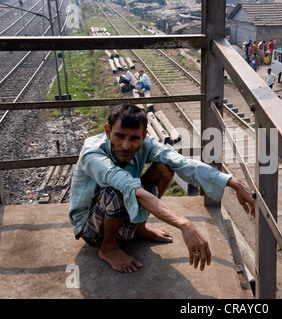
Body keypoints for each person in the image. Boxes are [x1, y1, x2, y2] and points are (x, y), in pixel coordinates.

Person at [69, 104, 255, 273]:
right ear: (108, 132)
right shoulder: (92, 152)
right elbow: (127, 186)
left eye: (134, 138)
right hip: (90, 226)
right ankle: (108, 248)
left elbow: (182, 163)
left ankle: (139, 228)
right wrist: (184, 224)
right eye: (119, 136)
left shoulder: (146, 145)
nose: (126, 145)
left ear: (143, 136)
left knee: (164, 169)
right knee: (117, 189)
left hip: (120, 209)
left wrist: (232, 182)